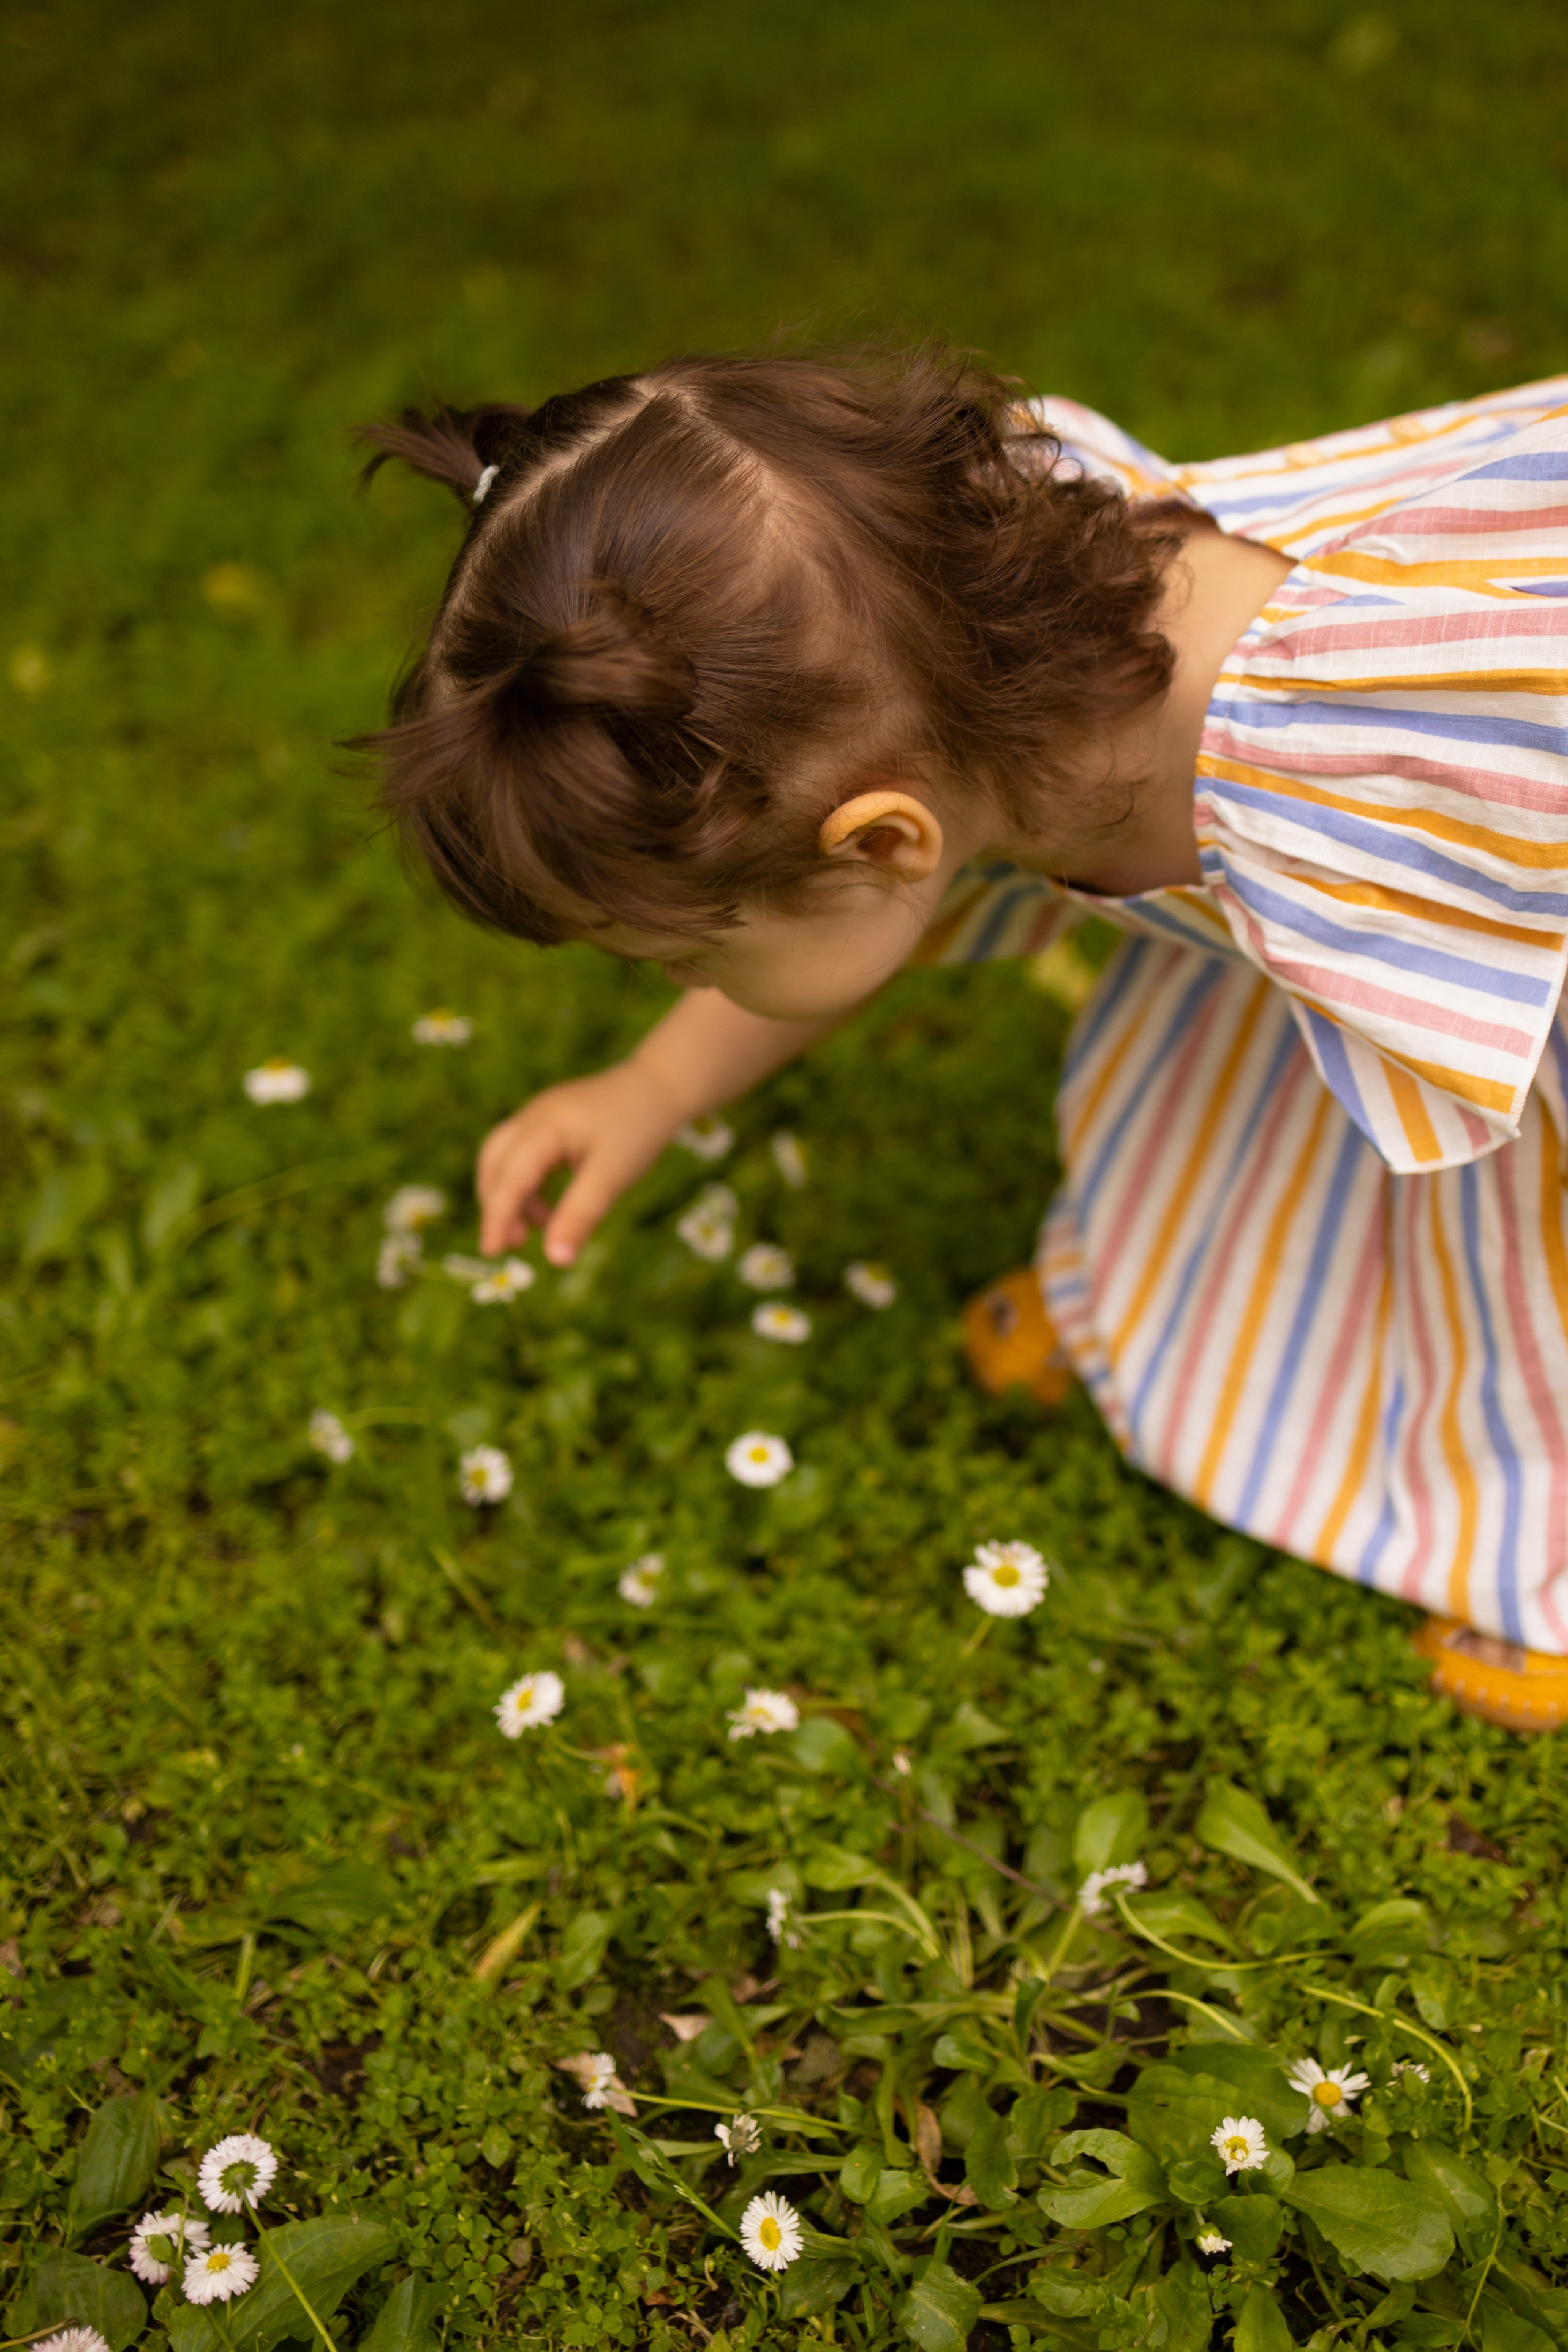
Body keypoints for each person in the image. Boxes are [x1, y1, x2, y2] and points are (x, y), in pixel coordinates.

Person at [356, 348, 1568, 1733]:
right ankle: (1204, 1309)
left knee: (1512, 1219)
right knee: (1262, 1088)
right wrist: (651, 1085)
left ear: (882, 844)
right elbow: (875, 906)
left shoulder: (1369, 769)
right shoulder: (948, 657)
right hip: (1366, 928)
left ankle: (1531, 1527)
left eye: (694, 956)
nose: (690, 981)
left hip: (1529, 950)